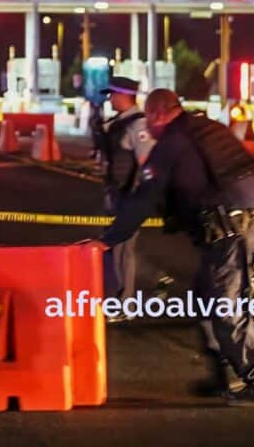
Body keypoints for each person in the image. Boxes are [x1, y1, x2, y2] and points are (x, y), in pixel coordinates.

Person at [81, 88, 254, 407]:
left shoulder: (173, 142)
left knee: (225, 309)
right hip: (251, 222)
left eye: (150, 120)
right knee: (206, 297)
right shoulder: (206, 129)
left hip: (229, 232)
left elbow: (146, 196)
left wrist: (109, 238)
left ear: (157, 114)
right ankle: (225, 376)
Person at [95, 77, 171, 324]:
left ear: (124, 95)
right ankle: (120, 297)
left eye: (113, 94)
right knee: (113, 250)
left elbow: (147, 163)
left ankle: (122, 304)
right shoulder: (118, 123)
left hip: (128, 197)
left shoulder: (138, 125)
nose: (110, 99)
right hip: (116, 194)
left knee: (122, 251)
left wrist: (138, 200)